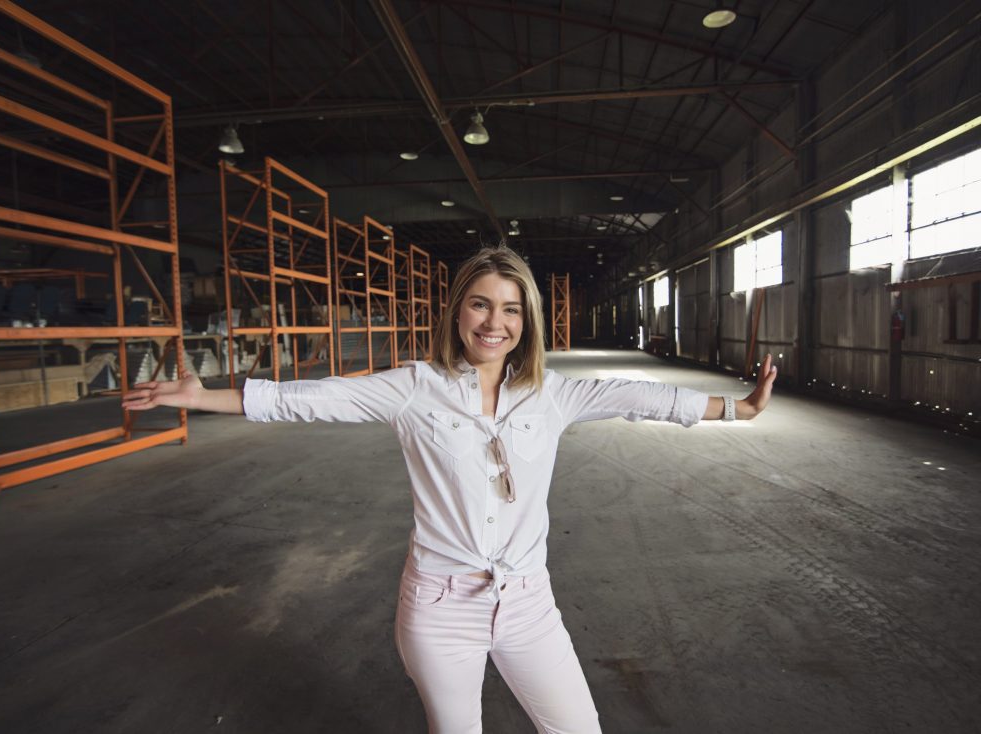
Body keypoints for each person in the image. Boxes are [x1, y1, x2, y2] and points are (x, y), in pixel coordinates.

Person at [124, 246, 776, 733]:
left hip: (528, 605)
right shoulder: (415, 388)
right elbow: (315, 398)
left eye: (512, 309)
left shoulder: (553, 394)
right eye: (481, 303)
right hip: (439, 607)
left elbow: (644, 397)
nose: (496, 322)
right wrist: (207, 396)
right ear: (458, 309)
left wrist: (736, 410)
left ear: (529, 320)